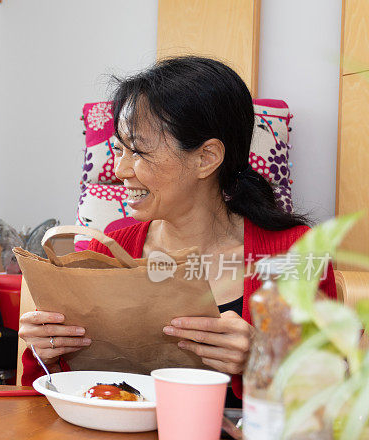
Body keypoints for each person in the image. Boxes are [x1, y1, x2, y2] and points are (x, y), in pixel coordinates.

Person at [18, 56, 336, 393]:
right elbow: (54, 389)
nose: (121, 170)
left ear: (206, 158)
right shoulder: (109, 250)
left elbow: (334, 394)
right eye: (120, 150)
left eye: (138, 151)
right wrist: (47, 351)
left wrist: (262, 357)